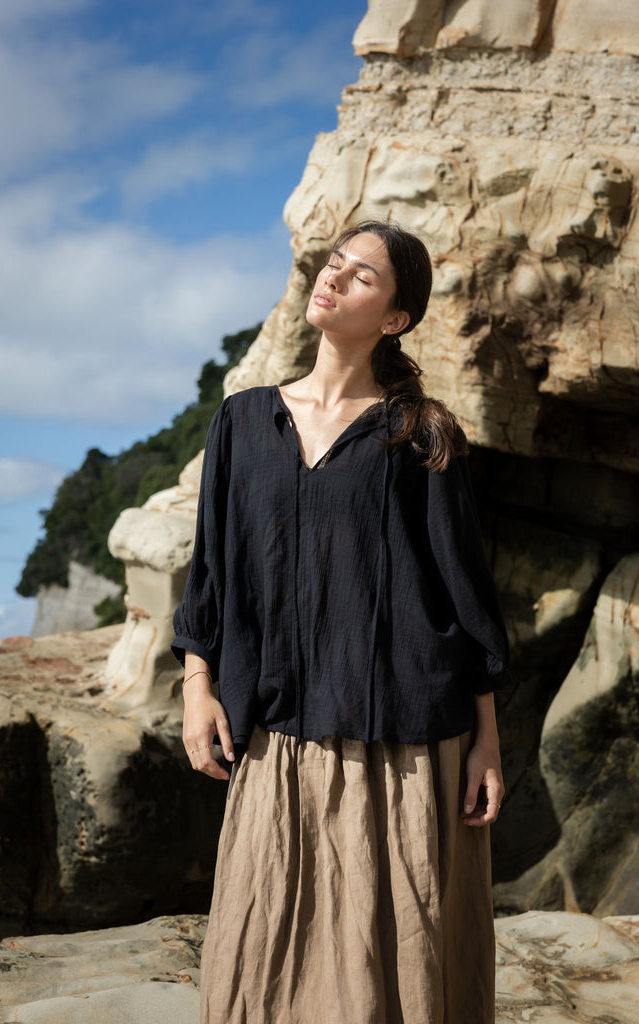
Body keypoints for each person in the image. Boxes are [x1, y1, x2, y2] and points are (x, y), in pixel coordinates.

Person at [171, 220, 509, 1024]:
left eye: (360, 276)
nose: (332, 277)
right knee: (260, 963)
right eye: (334, 263)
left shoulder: (421, 432)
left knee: (397, 972)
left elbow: (463, 594)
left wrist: (487, 742)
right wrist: (196, 686)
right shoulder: (243, 420)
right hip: (277, 730)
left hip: (402, 742)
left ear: (394, 317)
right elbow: (211, 567)